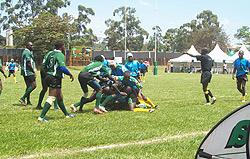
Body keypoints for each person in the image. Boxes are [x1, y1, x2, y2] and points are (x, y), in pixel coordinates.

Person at [38, 40, 75, 122]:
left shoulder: (50, 53)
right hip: (55, 78)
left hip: (48, 76)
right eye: (64, 46)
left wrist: (48, 74)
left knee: (59, 97)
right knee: (51, 97)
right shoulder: (60, 55)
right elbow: (62, 68)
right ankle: (41, 117)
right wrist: (70, 74)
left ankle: (67, 114)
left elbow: (44, 66)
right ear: (61, 47)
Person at [19, 42, 37, 106]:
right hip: (28, 71)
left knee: (28, 86)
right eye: (31, 45)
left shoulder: (26, 52)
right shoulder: (27, 52)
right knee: (34, 85)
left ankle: (28, 101)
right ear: (28, 46)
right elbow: (28, 63)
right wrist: (33, 72)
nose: (33, 46)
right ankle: (23, 98)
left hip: (25, 71)